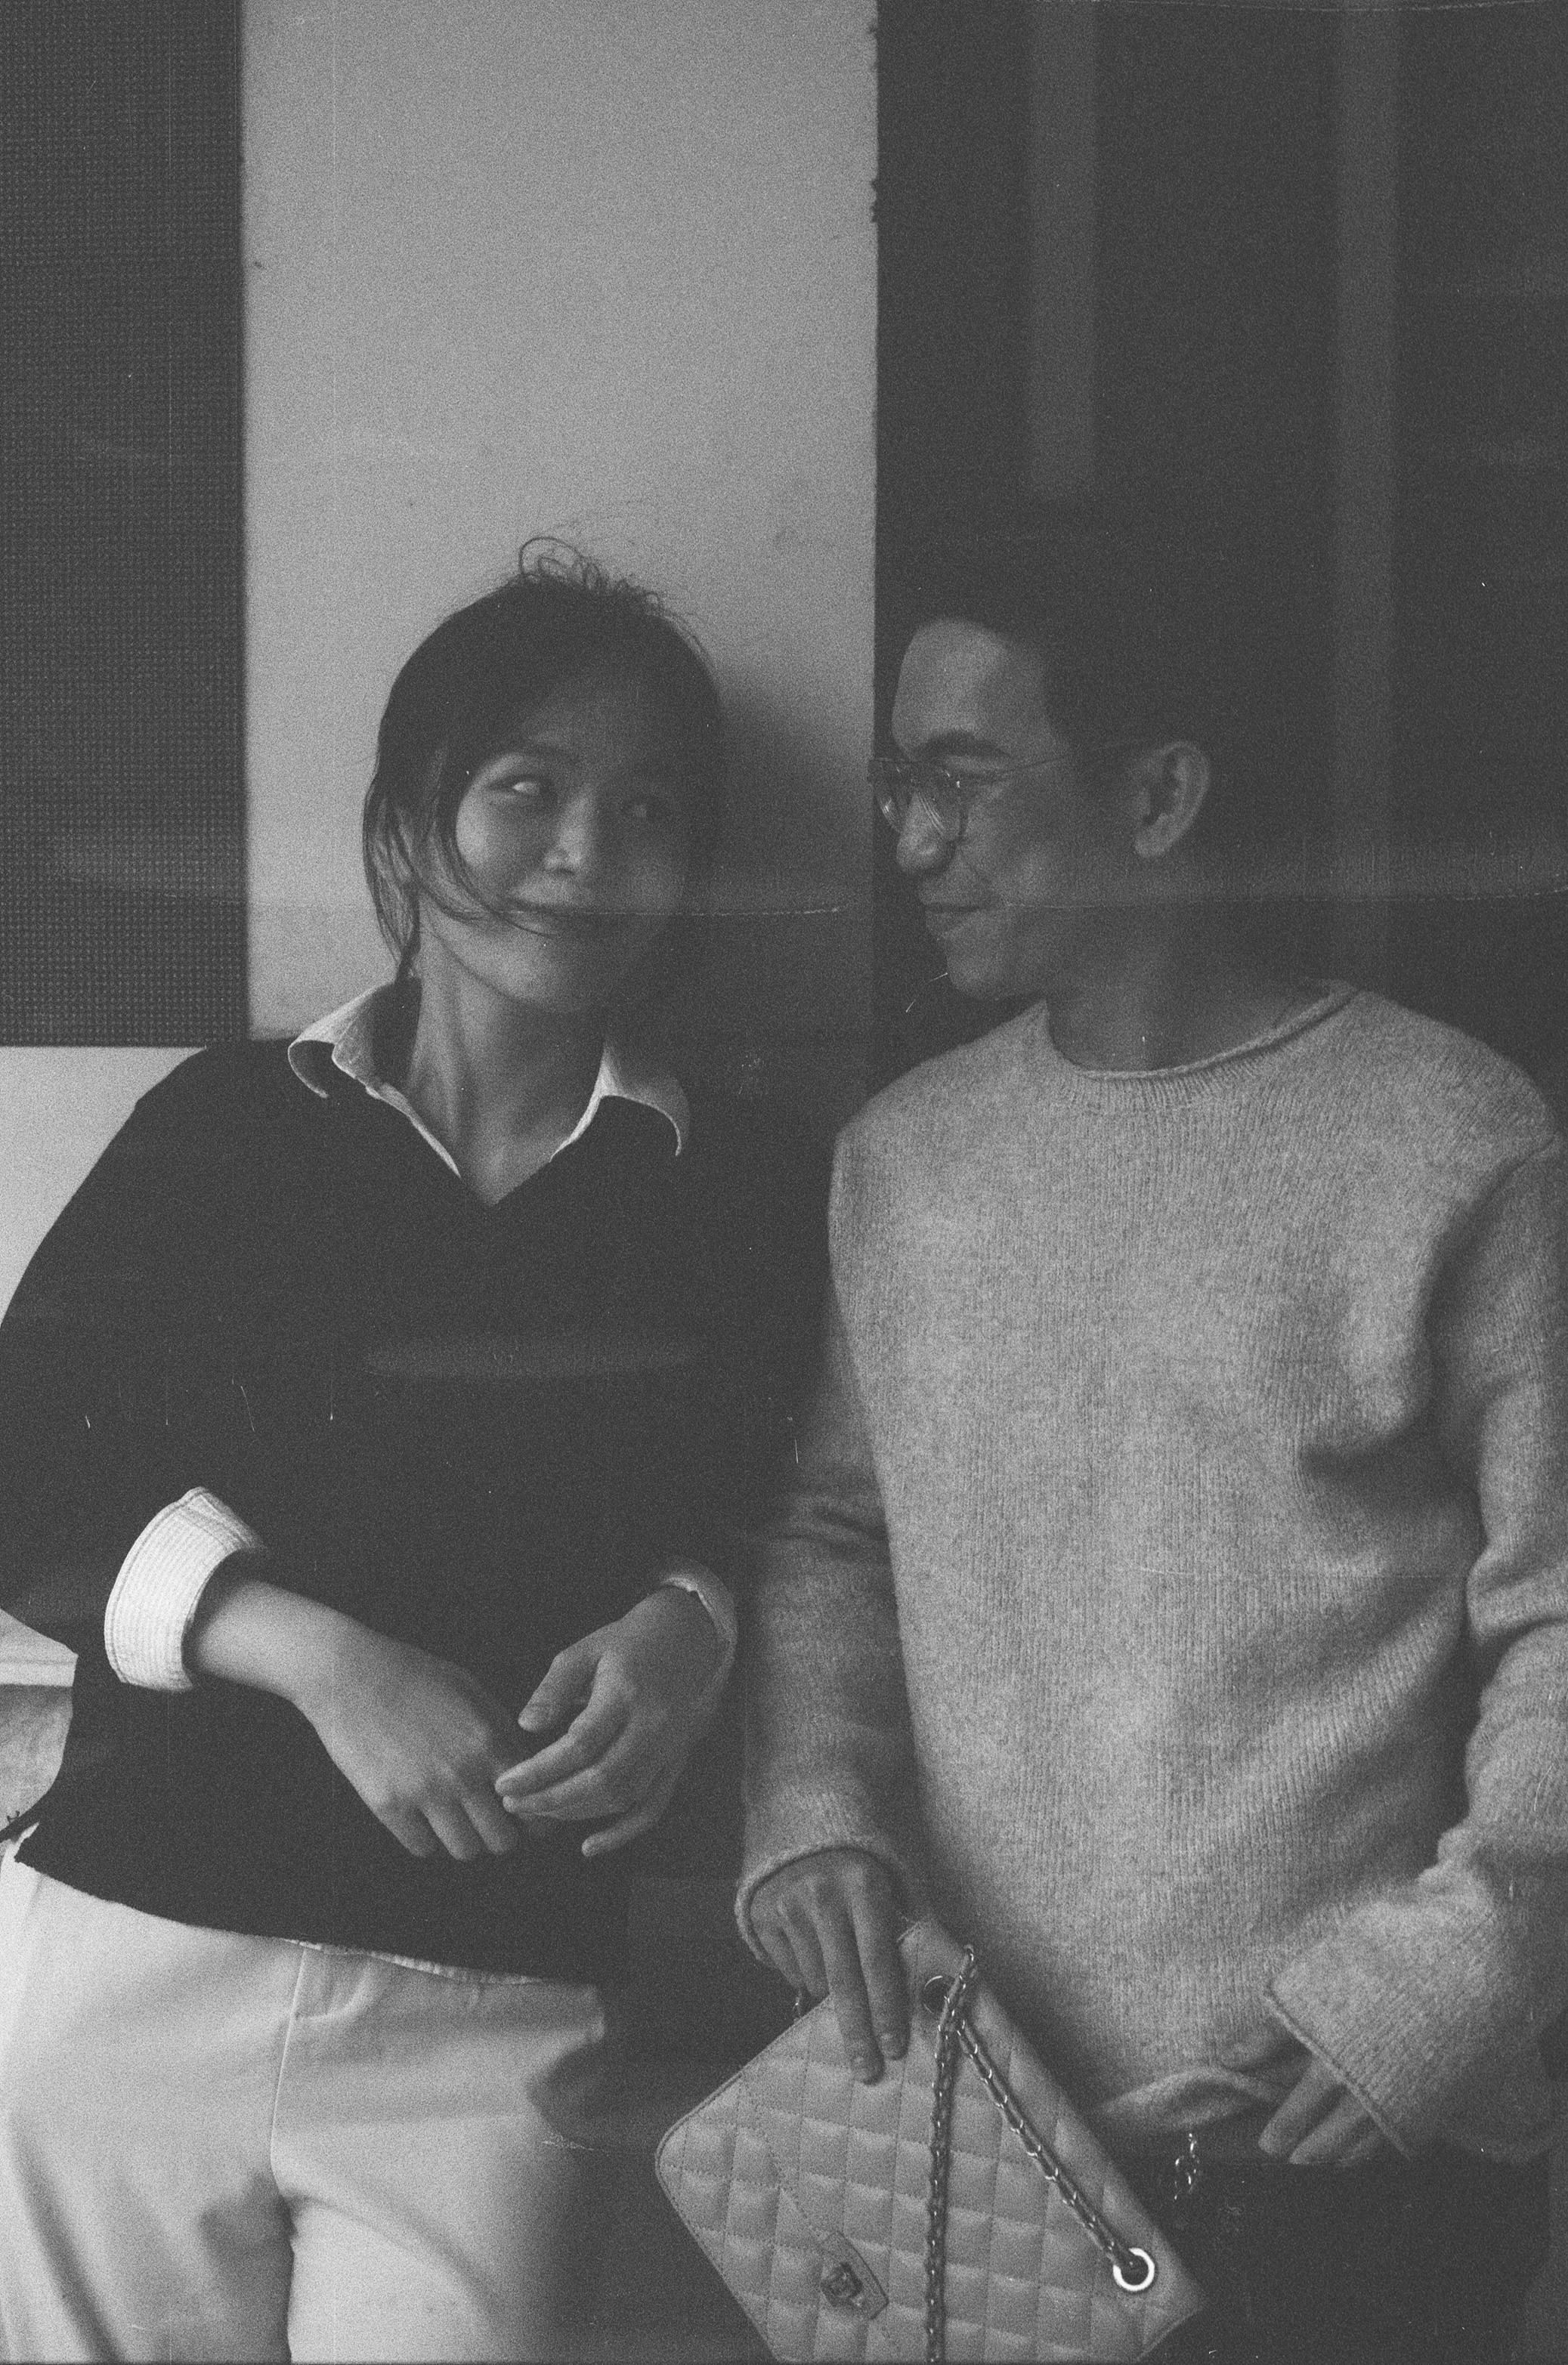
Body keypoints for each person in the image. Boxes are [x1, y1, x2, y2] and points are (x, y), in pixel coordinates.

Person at [739, 521, 1568, 2363]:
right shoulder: (905, 1161)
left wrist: (1458, 1975)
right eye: (899, 784)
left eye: (963, 778)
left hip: (1349, 2141)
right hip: (974, 2129)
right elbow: (831, 1541)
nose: (912, 840)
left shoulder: (1458, 1138)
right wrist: (816, 1815)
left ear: (1162, 793)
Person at [0, 549, 825, 2362]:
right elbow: (23, 1474)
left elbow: (811, 1504)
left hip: (498, 2006)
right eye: (526, 787)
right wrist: (322, 1657)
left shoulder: (750, 1194)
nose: (586, 852)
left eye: (648, 809)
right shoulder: (228, 1127)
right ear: (402, 834)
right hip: (132, 1946)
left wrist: (696, 1617)